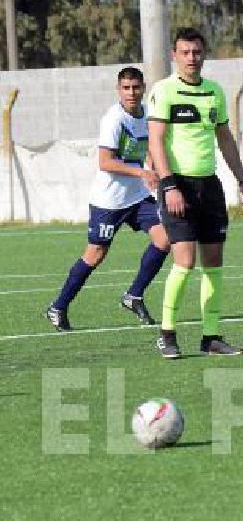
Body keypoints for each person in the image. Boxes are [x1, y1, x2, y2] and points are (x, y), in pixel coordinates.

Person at [147, 27, 243, 359]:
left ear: (204, 53)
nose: (192, 58)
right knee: (185, 261)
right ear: (174, 55)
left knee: (214, 263)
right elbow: (155, 142)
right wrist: (169, 186)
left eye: (196, 52)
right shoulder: (163, 91)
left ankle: (211, 337)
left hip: (210, 187)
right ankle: (167, 333)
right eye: (185, 52)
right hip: (177, 184)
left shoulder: (215, 92)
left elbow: (225, 139)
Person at [45, 67, 170, 331]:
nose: (131, 93)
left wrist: (154, 168)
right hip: (109, 201)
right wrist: (141, 171)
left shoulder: (148, 113)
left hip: (136, 196)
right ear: (118, 90)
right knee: (95, 254)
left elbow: (149, 147)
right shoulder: (113, 119)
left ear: (143, 87)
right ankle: (58, 307)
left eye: (135, 87)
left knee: (164, 239)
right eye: (126, 88)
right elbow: (104, 162)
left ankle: (134, 295)